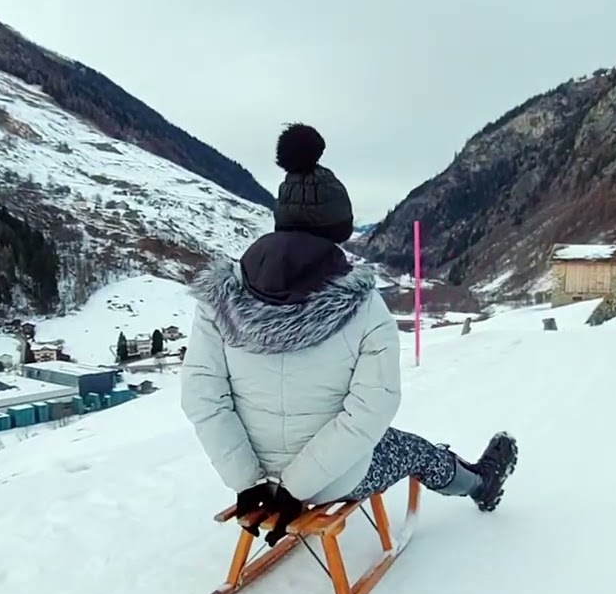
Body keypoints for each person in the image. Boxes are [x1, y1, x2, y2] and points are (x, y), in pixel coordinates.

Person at [180, 122, 517, 546]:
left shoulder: (219, 297)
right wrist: (296, 489)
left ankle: (473, 480)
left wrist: (247, 481)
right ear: (339, 229)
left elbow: (202, 395)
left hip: (254, 477)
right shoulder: (363, 305)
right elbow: (372, 407)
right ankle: (481, 484)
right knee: (415, 449)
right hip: (329, 481)